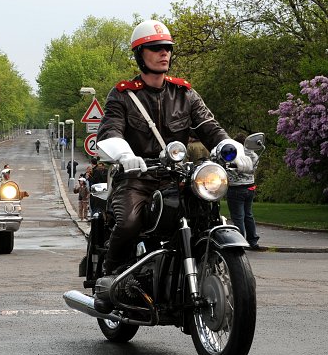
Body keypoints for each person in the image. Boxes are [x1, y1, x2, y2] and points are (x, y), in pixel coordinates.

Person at [96, 19, 252, 275]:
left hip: (178, 179)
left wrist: (231, 147)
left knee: (206, 216)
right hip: (137, 179)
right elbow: (110, 130)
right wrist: (125, 155)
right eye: (156, 48)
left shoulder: (185, 94)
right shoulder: (122, 95)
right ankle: (111, 276)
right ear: (139, 55)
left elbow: (210, 127)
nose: (164, 53)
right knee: (128, 223)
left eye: (167, 48)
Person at [226, 133, 260, 249]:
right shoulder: (254, 156)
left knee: (238, 217)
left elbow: (227, 168)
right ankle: (253, 240)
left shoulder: (233, 155)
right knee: (248, 215)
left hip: (236, 188)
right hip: (250, 187)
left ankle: (240, 241)